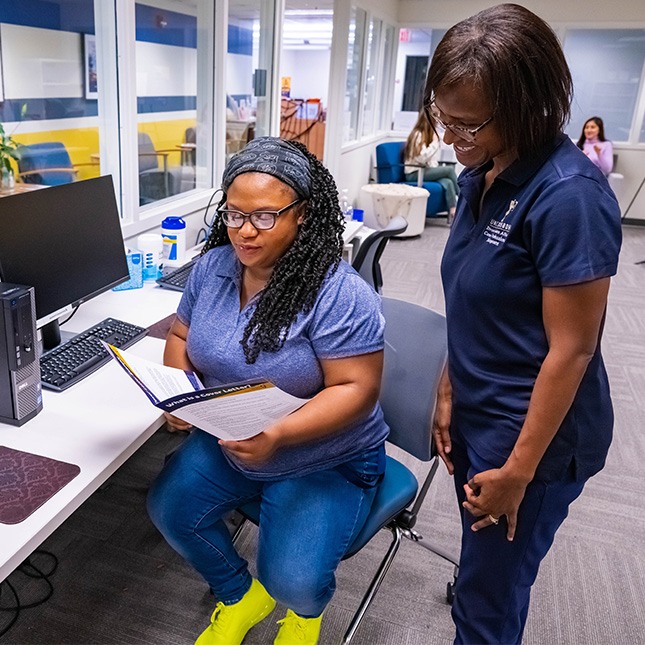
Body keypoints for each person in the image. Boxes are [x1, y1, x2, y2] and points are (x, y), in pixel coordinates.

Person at [425, 5, 622, 644]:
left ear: (529, 105)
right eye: (443, 116)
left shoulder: (569, 196)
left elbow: (572, 349)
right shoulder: (481, 172)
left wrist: (518, 472)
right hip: (481, 411)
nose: (453, 137)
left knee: (486, 605)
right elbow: (473, 300)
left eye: (469, 123)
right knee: (484, 576)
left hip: (532, 438)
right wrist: (450, 387)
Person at [146, 137, 388, 645]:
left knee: (293, 582)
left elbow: (356, 388)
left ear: (303, 214)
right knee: (170, 510)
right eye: (234, 215)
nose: (244, 232)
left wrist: (278, 434)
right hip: (233, 435)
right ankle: (239, 594)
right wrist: (180, 395)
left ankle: (303, 615)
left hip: (324, 454)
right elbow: (181, 335)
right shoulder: (213, 268)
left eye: (264, 216)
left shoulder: (338, 292)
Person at [403, 110, 460, 218]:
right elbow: (421, 157)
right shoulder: (417, 135)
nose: (437, 124)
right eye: (436, 122)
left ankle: (453, 211)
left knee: (447, 181)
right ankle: (465, 200)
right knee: (449, 170)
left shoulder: (426, 135)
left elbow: (430, 159)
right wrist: (435, 142)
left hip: (423, 170)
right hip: (414, 174)